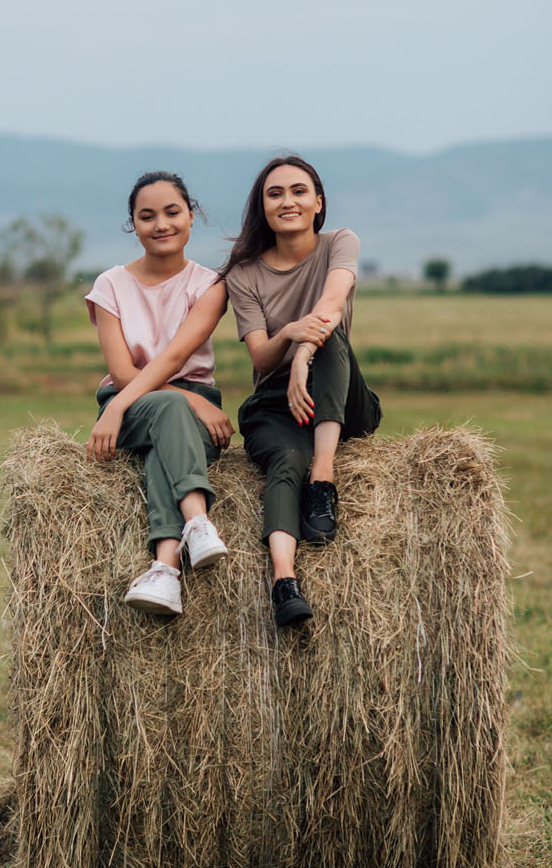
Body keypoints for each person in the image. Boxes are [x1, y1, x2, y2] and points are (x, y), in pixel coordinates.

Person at [221, 155, 381, 628]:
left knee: (330, 336)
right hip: (275, 408)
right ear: (262, 208)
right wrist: (289, 334)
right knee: (286, 461)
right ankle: (284, 580)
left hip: (341, 392)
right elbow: (260, 360)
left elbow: (331, 306)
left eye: (297, 191)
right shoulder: (244, 273)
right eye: (275, 194)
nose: (287, 201)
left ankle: (324, 481)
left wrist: (304, 356)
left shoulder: (340, 243)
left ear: (318, 202)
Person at [85, 171, 233, 617]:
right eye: (146, 216)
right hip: (133, 400)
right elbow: (123, 372)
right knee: (167, 407)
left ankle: (165, 568)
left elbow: (171, 360)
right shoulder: (110, 285)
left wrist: (191, 398)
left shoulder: (208, 285)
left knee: (159, 450)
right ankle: (197, 521)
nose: (161, 224)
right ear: (133, 224)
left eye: (172, 212)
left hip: (192, 409)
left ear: (192, 216)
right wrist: (117, 411)